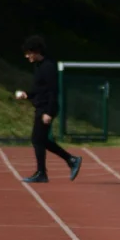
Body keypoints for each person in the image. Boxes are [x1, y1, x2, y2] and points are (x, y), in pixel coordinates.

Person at [16, 35, 82, 183]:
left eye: (28, 53)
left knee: (37, 140)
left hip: (46, 108)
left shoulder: (48, 67)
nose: (27, 56)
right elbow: (39, 89)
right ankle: (71, 160)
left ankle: (43, 173)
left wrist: (49, 112)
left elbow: (53, 91)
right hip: (41, 106)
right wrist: (27, 95)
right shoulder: (38, 66)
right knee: (42, 140)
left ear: (36, 51)